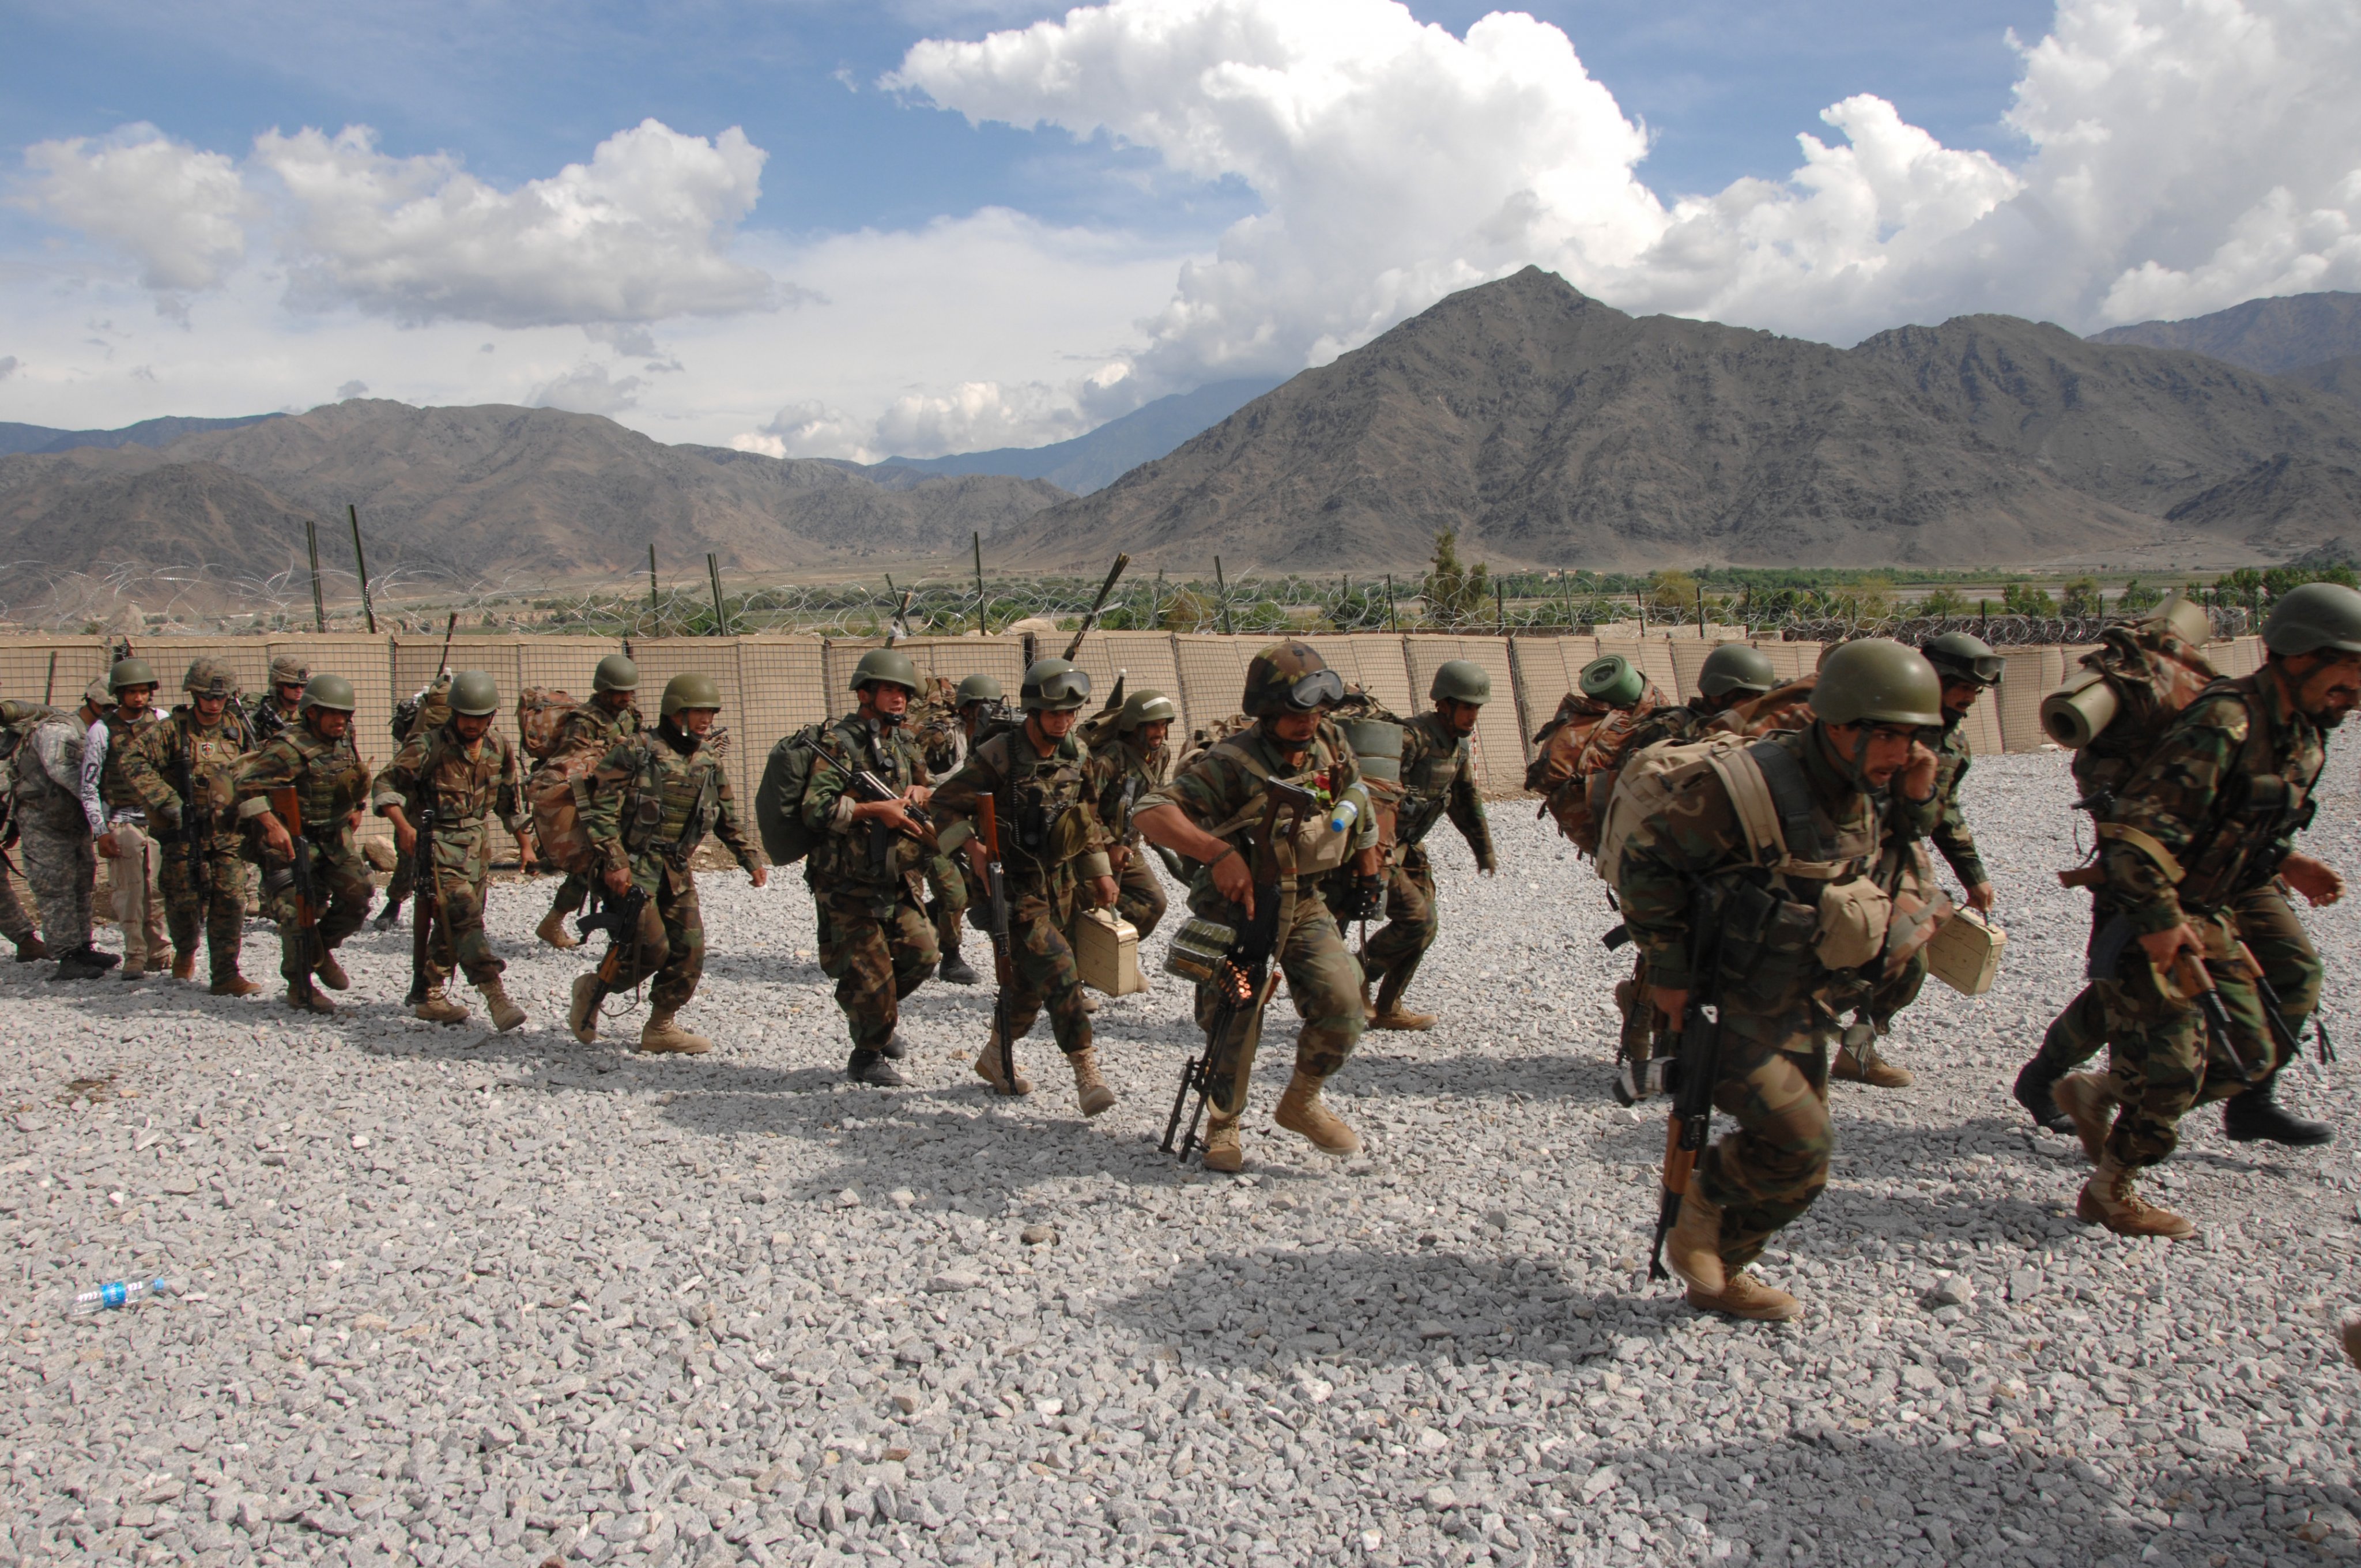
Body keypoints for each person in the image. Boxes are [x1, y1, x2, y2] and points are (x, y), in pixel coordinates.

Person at [1615, 639, 1943, 1321]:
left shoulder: (1865, 785)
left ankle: (1723, 1270)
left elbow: (1888, 856)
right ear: (1842, 724)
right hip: (1730, 1001)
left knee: (1802, 1170)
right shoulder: (1749, 786)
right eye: (1890, 737)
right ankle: (1698, 1216)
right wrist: (1668, 973)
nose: (1902, 753)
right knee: (1800, 1141)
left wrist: (1916, 799)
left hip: (1803, 995)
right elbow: (1646, 863)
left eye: (1912, 739)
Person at [2049, 583, 2359, 1238]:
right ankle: (2110, 1191)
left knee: (2248, 1054)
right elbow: (2133, 837)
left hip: (2210, 907)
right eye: (2349, 669)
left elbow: (2238, 823)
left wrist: (2288, 863)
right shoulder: (2224, 722)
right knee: (2170, 1067)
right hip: (2148, 910)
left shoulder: (2301, 732)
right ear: (2299, 656)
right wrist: (2162, 926)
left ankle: (2100, 1091)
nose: (2355, 690)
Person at [1136, 640, 1382, 1172]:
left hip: (1305, 902)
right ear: (1267, 710)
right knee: (1236, 1016)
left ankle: (1302, 1100)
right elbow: (1149, 811)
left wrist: (1367, 863)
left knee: (1344, 1005)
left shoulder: (1330, 740)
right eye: (1296, 712)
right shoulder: (1230, 764)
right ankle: (1223, 1121)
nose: (1308, 722)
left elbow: (1355, 794)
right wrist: (1218, 853)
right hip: (1238, 910)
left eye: (1316, 710)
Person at [931, 658, 1121, 1113]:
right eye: (1056, 713)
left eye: (1071, 714)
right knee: (1060, 971)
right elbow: (943, 806)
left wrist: (1101, 872)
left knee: (1029, 984)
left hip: (1062, 884)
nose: (1064, 722)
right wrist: (973, 850)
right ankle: (1086, 1071)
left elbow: (1089, 816)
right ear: (1034, 712)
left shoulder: (1077, 755)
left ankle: (996, 1056)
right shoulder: (998, 757)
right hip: (1012, 890)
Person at [1598, 643, 1776, 1096]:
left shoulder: (1746, 734)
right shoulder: (1669, 731)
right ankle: (1656, 1053)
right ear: (1722, 694)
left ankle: (1669, 1050)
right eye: (1747, 699)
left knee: (1684, 960)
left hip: (1709, 866)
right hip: (1657, 862)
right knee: (1666, 957)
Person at [1835, 631, 2005, 1087]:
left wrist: (1974, 875)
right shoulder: (1877, 725)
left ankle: (1857, 1050)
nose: (1970, 699)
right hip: (1844, 861)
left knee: (1907, 965)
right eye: (1963, 688)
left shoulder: (1953, 743)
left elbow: (1945, 810)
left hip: (1897, 862)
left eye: (1976, 691)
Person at [573, 673, 767, 1054]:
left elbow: (726, 814)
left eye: (710, 713)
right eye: (698, 712)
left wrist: (750, 858)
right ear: (675, 711)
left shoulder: (707, 758)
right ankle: (594, 990)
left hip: (676, 868)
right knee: (651, 947)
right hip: (634, 864)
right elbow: (600, 811)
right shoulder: (637, 749)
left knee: (690, 950)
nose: (706, 720)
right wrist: (614, 862)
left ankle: (660, 1027)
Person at [791, 649, 938, 1085]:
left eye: (904, 692)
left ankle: (875, 1014)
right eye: (890, 690)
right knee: (872, 982)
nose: (899, 699)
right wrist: (875, 810)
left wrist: (920, 792)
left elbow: (923, 786)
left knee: (923, 953)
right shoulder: (840, 744)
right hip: (846, 881)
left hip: (894, 874)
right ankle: (867, 1051)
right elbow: (815, 810)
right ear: (865, 693)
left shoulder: (902, 740)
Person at [374, 669, 533, 1030]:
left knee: (452, 925)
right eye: (466, 717)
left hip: (478, 848)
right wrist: (403, 827)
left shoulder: (498, 747)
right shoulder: (428, 746)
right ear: (454, 713)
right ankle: (496, 995)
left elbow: (509, 801)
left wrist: (525, 845)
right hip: (438, 847)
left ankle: (429, 993)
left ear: (491, 717)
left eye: (480, 718)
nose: (472, 725)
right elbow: (386, 783)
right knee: (465, 918)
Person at [1349, 659, 1499, 1031]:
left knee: (1426, 928)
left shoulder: (1458, 747)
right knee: (1419, 921)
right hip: (1381, 847)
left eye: (1477, 708)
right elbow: (1370, 792)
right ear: (1444, 704)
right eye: (1467, 707)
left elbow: (1465, 799)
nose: (1473, 715)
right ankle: (1353, 978)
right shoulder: (1413, 738)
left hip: (1409, 848)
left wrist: (1483, 850)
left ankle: (1388, 1006)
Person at [233, 674, 376, 1014]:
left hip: (334, 838)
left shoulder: (345, 737)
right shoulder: (288, 747)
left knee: (360, 896)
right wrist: (271, 826)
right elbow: (248, 786)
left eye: (345, 714)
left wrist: (357, 806)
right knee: (297, 913)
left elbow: (352, 772)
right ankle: (299, 987)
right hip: (293, 841)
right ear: (312, 712)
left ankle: (320, 948)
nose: (341, 721)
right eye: (332, 714)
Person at [117, 658, 259, 993]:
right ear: (194, 695)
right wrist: (166, 799)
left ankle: (226, 973)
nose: (214, 704)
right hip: (183, 829)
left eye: (221, 698)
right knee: (182, 899)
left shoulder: (239, 730)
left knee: (231, 898)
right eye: (207, 697)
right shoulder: (173, 729)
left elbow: (258, 770)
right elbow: (132, 761)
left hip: (226, 829)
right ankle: (184, 950)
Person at [533, 654, 643, 951]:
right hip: (591, 802)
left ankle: (556, 921)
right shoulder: (584, 722)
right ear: (604, 690)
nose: (626, 698)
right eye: (621, 692)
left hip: (621, 799)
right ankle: (614, 933)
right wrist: (610, 753)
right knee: (594, 866)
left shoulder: (629, 714)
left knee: (608, 865)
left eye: (630, 692)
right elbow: (570, 763)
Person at [80, 657, 170, 978]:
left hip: (159, 820)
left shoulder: (163, 721)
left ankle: (161, 951)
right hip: (123, 820)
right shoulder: (102, 730)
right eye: (131, 692)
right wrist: (100, 831)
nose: (138, 698)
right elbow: (89, 786)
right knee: (129, 893)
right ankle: (135, 954)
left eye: (144, 691)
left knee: (159, 889)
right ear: (118, 695)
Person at [17, 683, 113, 979]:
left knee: (82, 885)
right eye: (107, 707)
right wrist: (101, 802)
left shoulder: (96, 731)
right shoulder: (59, 730)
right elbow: (64, 772)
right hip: (45, 822)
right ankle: (66, 955)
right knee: (55, 888)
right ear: (92, 703)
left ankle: (83, 946)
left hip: (73, 821)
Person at [1085, 688, 1178, 941]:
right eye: (1152, 726)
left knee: (1154, 903)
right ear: (1134, 726)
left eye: (1163, 725)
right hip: (1094, 847)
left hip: (1129, 847)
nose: (1159, 732)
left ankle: (1115, 957)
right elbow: (1084, 810)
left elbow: (1152, 794)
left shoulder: (1162, 755)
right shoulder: (1109, 760)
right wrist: (1108, 845)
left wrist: (1154, 826)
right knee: (1087, 906)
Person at [248, 654, 308, 747]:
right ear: (279, 685)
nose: (299, 690)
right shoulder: (261, 716)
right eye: (293, 685)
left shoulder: (311, 713)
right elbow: (248, 749)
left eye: (303, 685)